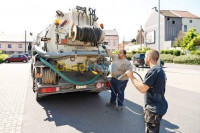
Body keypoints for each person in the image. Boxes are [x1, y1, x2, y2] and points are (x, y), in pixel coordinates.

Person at [127, 49, 168, 133]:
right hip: (159, 106)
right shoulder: (160, 70)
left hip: (154, 110)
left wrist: (131, 77)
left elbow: (142, 89)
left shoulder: (153, 71)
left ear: (149, 58)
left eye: (145, 57)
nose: (144, 59)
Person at [102, 45, 132, 111]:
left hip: (122, 80)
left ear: (124, 55)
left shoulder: (127, 62)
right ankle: (112, 102)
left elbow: (129, 72)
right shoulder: (116, 57)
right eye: (118, 52)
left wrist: (121, 76)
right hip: (114, 78)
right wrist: (106, 48)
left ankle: (120, 105)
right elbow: (110, 54)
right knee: (113, 91)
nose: (118, 53)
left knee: (120, 92)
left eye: (120, 53)